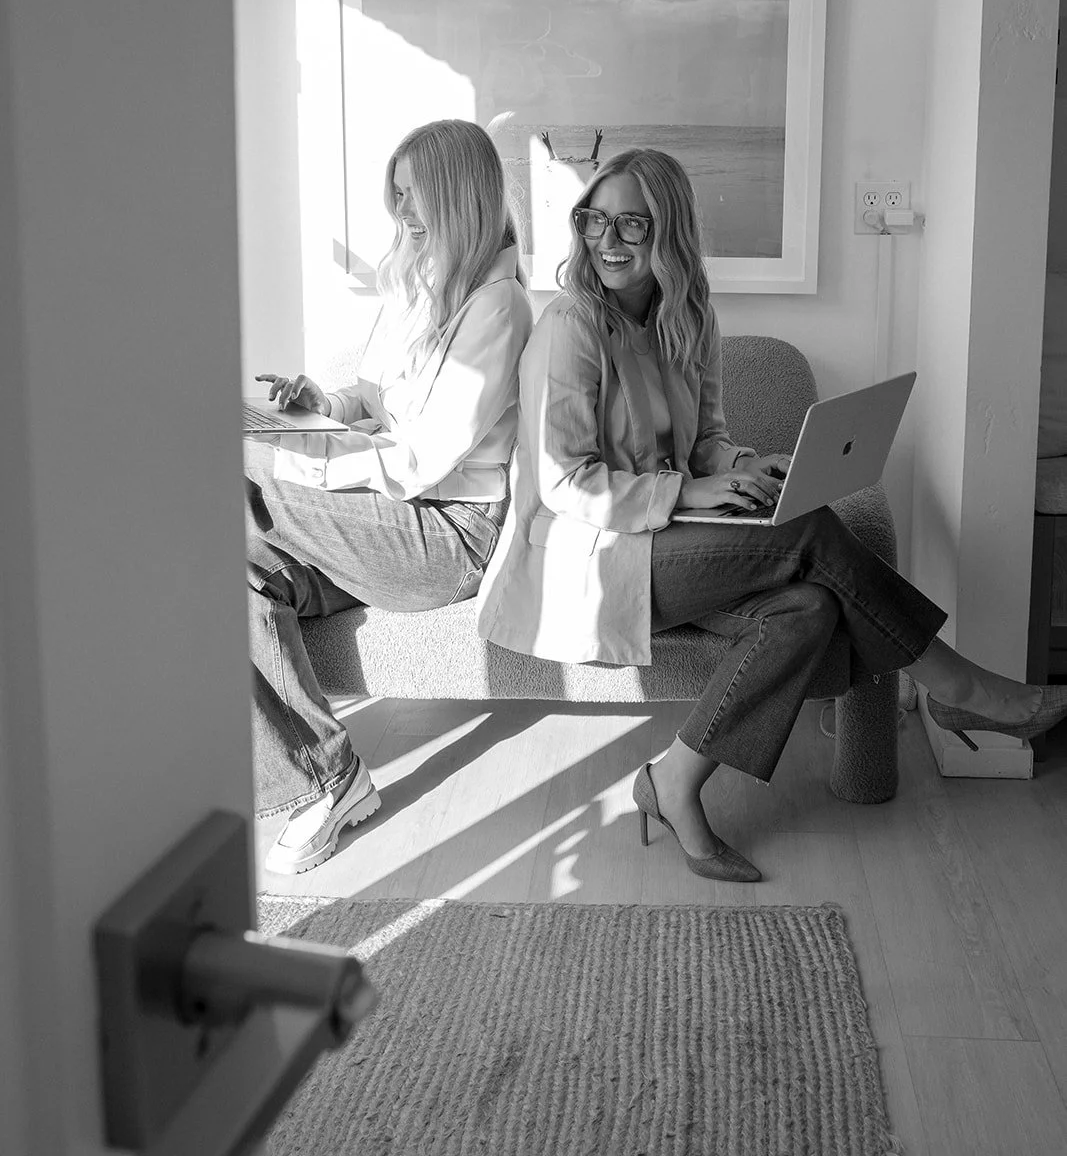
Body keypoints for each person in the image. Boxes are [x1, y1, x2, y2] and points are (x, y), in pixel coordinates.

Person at [476, 146, 1067, 883]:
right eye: (594, 220)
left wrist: (744, 465)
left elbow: (707, 442)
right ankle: (958, 690)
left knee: (809, 607)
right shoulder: (570, 326)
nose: (608, 240)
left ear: (670, 232)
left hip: (663, 542)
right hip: (589, 560)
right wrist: (685, 493)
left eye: (633, 223)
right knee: (811, 532)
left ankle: (674, 782)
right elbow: (566, 482)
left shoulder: (687, 318)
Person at [247, 119, 532, 874]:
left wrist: (303, 465)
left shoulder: (499, 309)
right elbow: (375, 401)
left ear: (458, 194)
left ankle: (320, 781)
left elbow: (420, 462)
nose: (402, 212)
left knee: (239, 492)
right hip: (389, 521)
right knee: (231, 560)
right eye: (395, 195)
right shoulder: (416, 282)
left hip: (447, 537)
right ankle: (326, 777)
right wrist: (320, 405)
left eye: (415, 195)